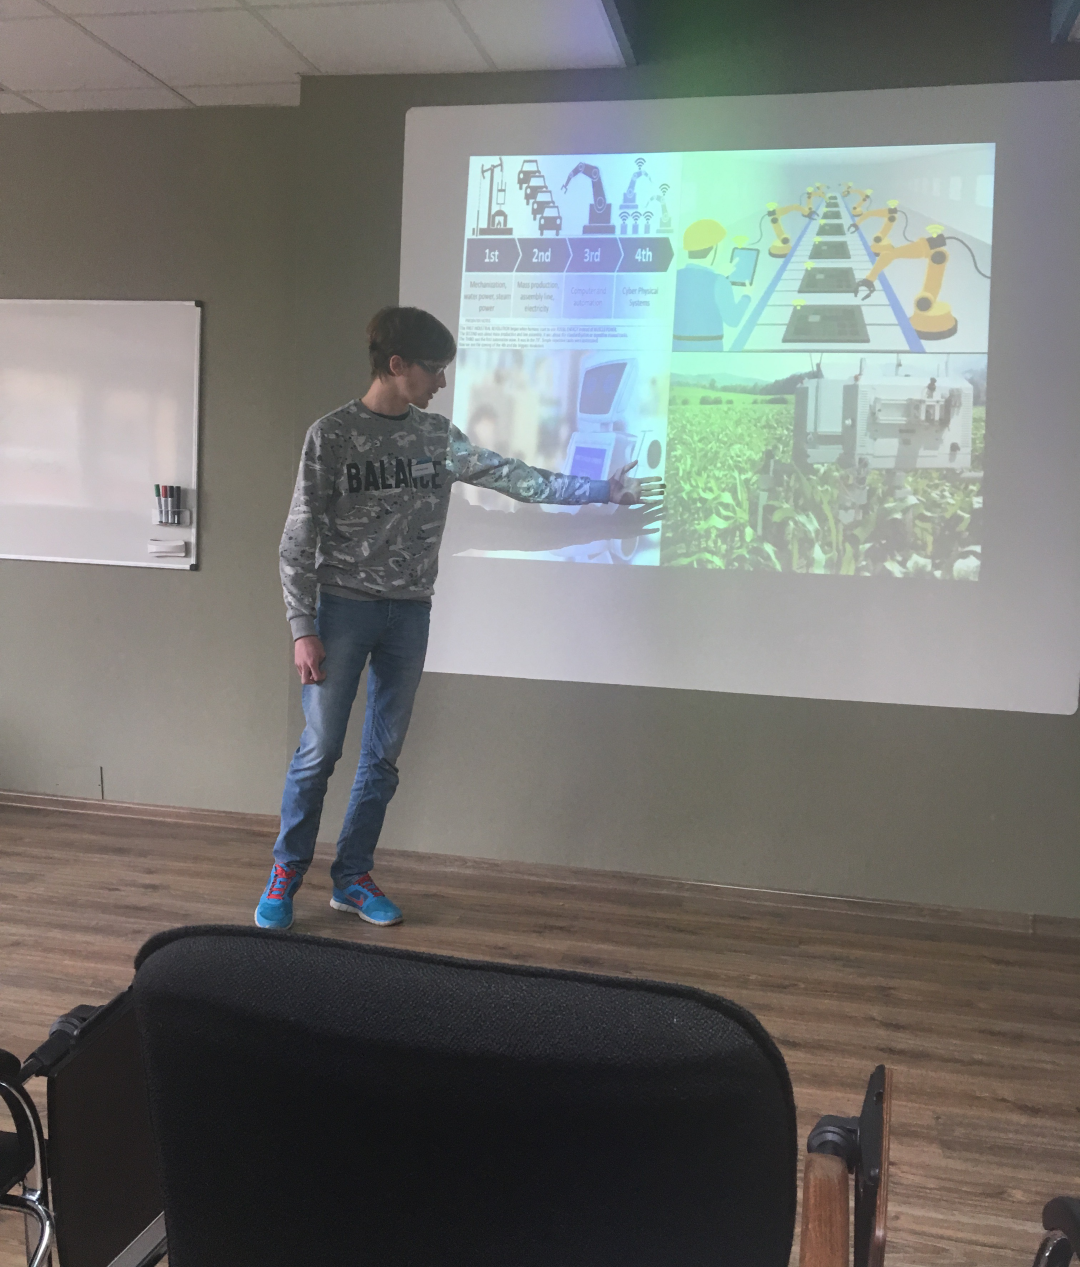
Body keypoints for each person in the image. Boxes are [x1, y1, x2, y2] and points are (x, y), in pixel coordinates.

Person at [255, 306, 664, 931]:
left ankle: (352, 878)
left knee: (382, 758)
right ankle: (286, 872)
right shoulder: (331, 435)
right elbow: (297, 538)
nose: (442, 382)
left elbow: (512, 477)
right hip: (341, 612)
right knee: (320, 752)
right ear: (397, 365)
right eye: (434, 369)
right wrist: (302, 628)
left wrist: (602, 490)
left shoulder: (437, 436)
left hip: (409, 616)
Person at [671, 218, 751, 351]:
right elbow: (733, 320)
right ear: (715, 248)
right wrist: (747, 296)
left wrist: (719, 275)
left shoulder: (674, 277)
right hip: (710, 350)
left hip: (677, 348)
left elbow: (698, 289)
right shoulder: (719, 282)